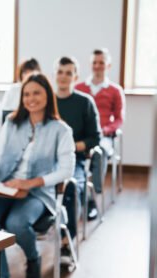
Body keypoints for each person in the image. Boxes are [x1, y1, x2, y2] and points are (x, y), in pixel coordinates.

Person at [0, 73, 75, 278]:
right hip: (6, 187)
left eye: (37, 93)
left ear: (48, 96)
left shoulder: (61, 130)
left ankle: (33, 258)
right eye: (26, 94)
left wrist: (31, 182)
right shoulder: (12, 123)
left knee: (17, 223)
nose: (31, 98)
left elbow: (66, 171)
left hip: (37, 193)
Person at [55, 56, 102, 240]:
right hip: (46, 160)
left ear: (76, 77)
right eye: (60, 72)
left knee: (71, 188)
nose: (63, 77)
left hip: (75, 160)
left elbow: (95, 138)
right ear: (54, 74)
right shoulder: (45, 101)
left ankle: (67, 241)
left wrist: (71, 147)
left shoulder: (85, 102)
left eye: (68, 73)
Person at [75, 48, 126, 179]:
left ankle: (95, 193)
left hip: (103, 135)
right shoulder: (78, 88)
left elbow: (119, 119)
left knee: (100, 150)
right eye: (94, 62)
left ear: (108, 66)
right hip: (82, 135)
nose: (97, 66)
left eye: (101, 63)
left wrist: (106, 130)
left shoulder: (115, 90)